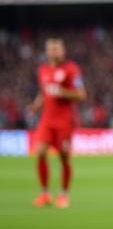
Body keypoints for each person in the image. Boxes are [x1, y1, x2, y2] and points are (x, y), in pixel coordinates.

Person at [28, 37, 86, 208]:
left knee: (64, 158)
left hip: (64, 121)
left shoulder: (72, 70)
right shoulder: (43, 70)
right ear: (46, 52)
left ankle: (63, 195)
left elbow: (81, 95)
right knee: (40, 152)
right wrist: (36, 106)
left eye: (56, 49)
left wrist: (61, 92)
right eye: (50, 49)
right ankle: (45, 194)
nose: (53, 52)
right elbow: (44, 93)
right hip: (47, 120)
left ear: (63, 51)